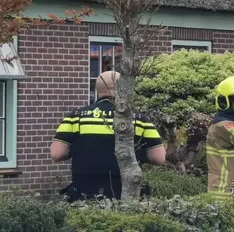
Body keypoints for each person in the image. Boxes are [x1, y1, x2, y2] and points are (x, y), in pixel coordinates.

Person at [50, 71, 166, 201]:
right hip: (124, 194)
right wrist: (137, 154)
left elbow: (57, 153)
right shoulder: (139, 119)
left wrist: (79, 149)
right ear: (123, 88)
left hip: (83, 195)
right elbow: (159, 157)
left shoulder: (76, 116)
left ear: (97, 90)